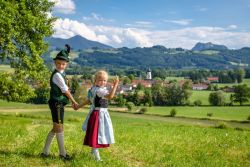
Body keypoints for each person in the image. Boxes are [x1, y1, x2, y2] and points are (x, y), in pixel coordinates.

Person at [41, 44, 78, 160]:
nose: (60, 65)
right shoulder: (57, 75)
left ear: (66, 64)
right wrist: (73, 101)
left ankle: (45, 152)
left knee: (56, 127)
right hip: (57, 103)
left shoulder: (62, 74)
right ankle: (63, 154)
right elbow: (65, 90)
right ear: (55, 63)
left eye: (63, 64)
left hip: (59, 103)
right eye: (58, 63)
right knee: (59, 127)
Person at [77, 70, 119, 161]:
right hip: (99, 115)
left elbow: (89, 100)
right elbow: (110, 96)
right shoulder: (99, 90)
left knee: (97, 134)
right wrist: (115, 86)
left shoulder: (93, 89)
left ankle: (93, 153)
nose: (102, 82)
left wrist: (78, 106)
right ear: (95, 80)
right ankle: (97, 157)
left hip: (97, 113)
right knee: (97, 135)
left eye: (104, 80)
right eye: (100, 80)